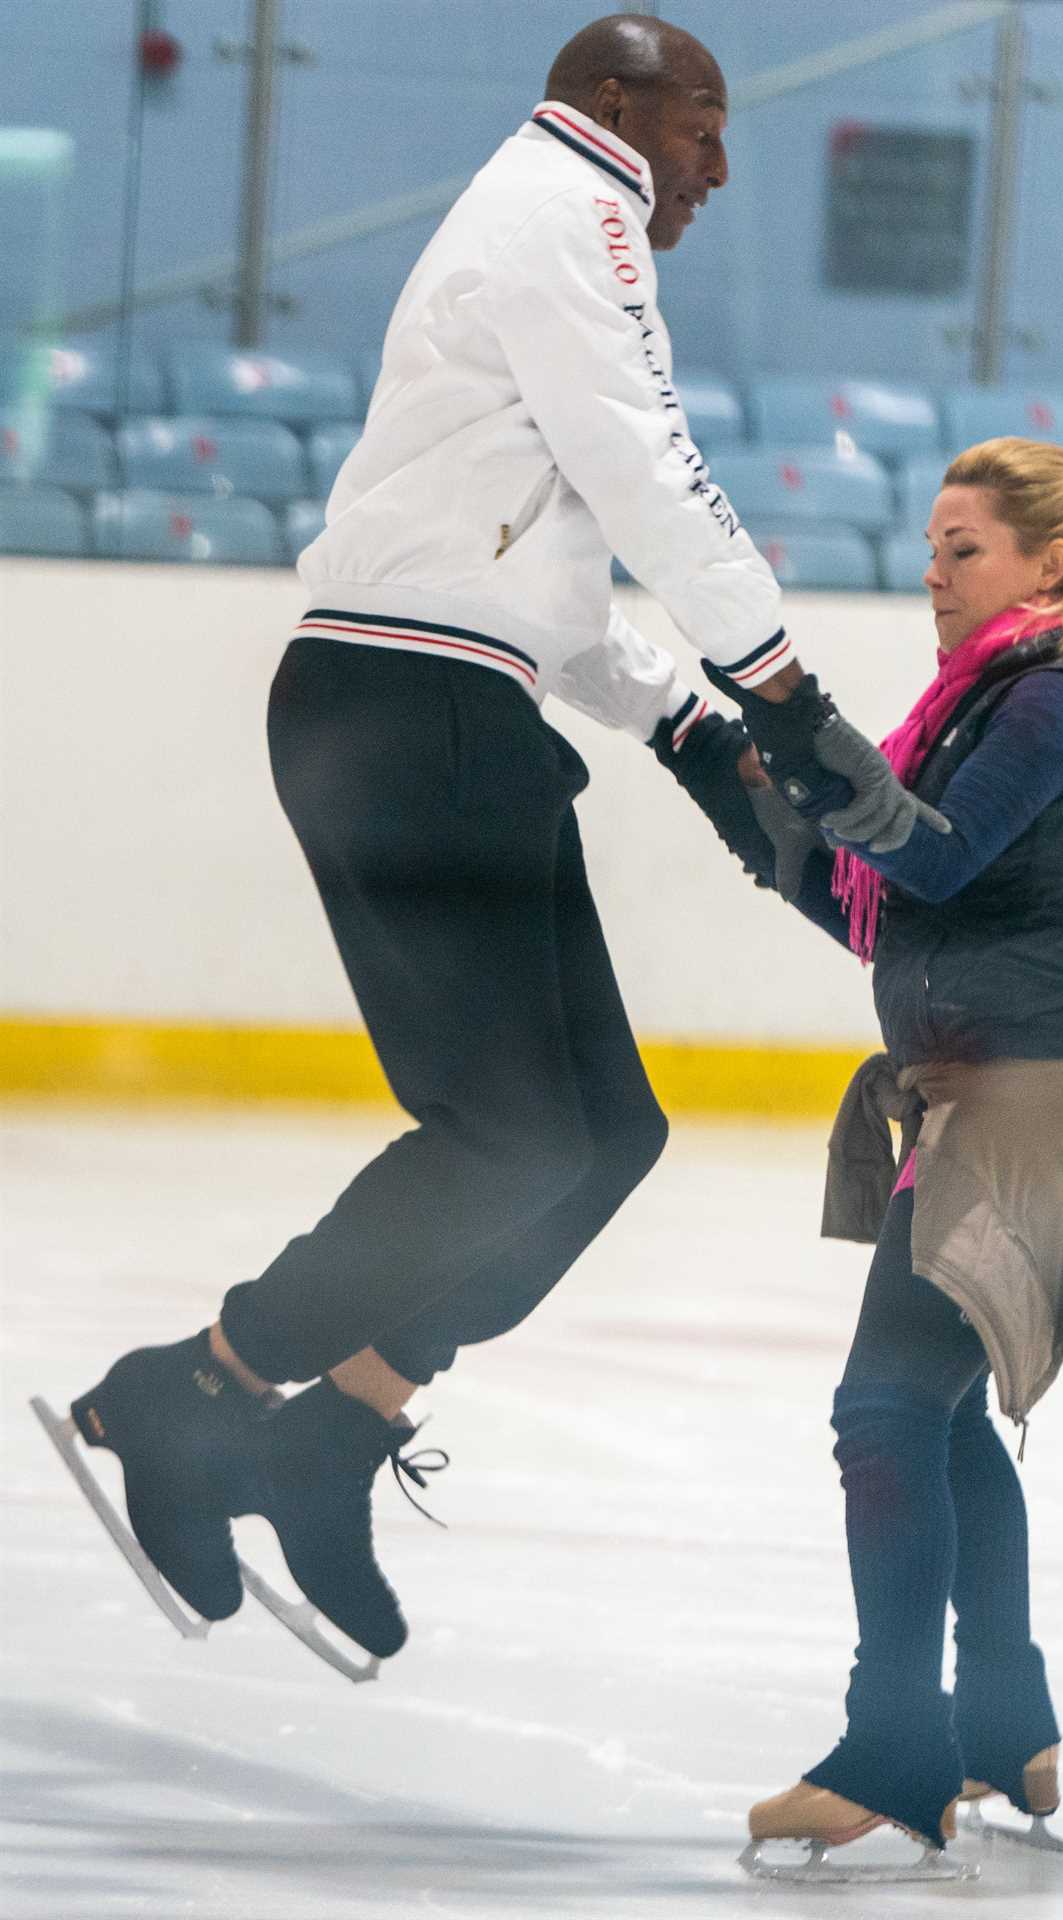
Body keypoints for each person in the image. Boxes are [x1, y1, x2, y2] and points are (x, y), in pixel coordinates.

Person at [50, 14, 866, 1662]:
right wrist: (785, 695)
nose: (717, 166)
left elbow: (532, 576)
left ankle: (324, 1436)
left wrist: (694, 733)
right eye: (706, 128)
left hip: (449, 705)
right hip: (405, 716)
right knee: (505, 1135)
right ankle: (187, 1390)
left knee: (600, 1137)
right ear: (620, 106)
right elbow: (649, 476)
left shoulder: (547, 227)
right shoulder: (576, 211)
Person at [675, 437, 1063, 1864]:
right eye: (932, 546)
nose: (935, 573)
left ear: (1050, 565)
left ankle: (897, 1741)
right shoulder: (980, 706)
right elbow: (872, 901)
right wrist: (716, 756)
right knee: (939, 1415)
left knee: (888, 1413)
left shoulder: (1056, 704)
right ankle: (999, 1717)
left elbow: (934, 858)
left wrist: (800, 717)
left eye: (965, 548)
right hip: (982, 1099)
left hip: (1027, 1113)